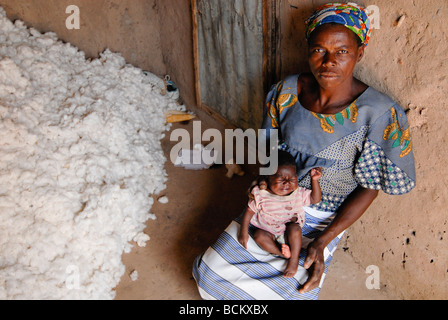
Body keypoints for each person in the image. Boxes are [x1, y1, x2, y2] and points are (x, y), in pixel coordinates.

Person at [193, 2, 416, 300]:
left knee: (294, 291)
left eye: (342, 51)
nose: (329, 61)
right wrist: (264, 190)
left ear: (359, 53)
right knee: (208, 274)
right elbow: (268, 150)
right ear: (308, 50)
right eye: (319, 50)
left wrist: (322, 241)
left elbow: (369, 188)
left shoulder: (378, 114)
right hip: (274, 204)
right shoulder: (286, 92)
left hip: (322, 215)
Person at [238, 151, 322, 278]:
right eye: (281, 179)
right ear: (267, 178)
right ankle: (283, 254)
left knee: (295, 229)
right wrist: (243, 232)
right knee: (259, 236)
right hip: (268, 231)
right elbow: (249, 210)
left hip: (288, 233)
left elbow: (315, 199)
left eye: (292, 179)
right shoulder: (261, 194)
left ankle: (293, 260)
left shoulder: (298, 194)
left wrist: (314, 180)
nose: (287, 183)